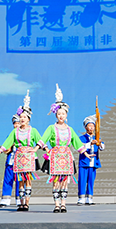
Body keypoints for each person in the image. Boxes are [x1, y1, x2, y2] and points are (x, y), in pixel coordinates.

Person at [34, 84, 85, 213]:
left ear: (66, 115)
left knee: (65, 182)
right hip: (55, 156)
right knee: (56, 181)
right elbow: (43, 139)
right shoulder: (51, 128)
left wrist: (86, 153)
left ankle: (63, 204)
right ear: (56, 115)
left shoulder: (70, 129)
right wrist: (36, 148)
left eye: (63, 113)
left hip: (66, 156)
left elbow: (77, 142)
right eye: (59, 113)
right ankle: (57, 204)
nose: (61, 116)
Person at [0, 91, 41, 211]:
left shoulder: (33, 130)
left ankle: (27, 203)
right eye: (21, 117)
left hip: (29, 157)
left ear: (28, 119)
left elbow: (40, 141)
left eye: (24, 117)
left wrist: (39, 149)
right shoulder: (15, 131)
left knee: (28, 180)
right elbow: (8, 142)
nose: (22, 119)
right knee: (20, 180)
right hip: (19, 157)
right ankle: (20, 203)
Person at [77, 115, 105, 205]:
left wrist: (99, 144)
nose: (91, 128)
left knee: (91, 181)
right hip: (84, 162)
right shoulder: (81, 138)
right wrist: (90, 144)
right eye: (89, 126)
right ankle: (81, 198)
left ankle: (89, 198)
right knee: (82, 180)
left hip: (93, 163)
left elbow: (102, 147)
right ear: (86, 128)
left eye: (93, 126)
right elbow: (80, 147)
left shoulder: (97, 137)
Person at [0, 114, 22, 207]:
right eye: (14, 123)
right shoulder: (11, 134)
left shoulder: (25, 134)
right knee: (8, 180)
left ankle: (20, 200)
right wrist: (8, 148)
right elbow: (6, 149)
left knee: (20, 180)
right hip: (11, 160)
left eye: (18, 123)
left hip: (21, 160)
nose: (16, 125)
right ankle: (5, 200)